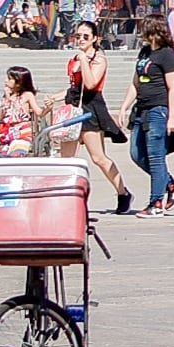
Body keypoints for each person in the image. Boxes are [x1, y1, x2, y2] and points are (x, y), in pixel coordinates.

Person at [60, 21, 132, 211]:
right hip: (74, 107)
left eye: (85, 36)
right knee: (66, 157)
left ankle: (123, 192)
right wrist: (58, 97)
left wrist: (84, 60)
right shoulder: (74, 59)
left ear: (94, 38)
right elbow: (76, 88)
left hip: (91, 109)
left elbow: (91, 84)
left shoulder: (98, 59)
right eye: (78, 36)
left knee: (98, 157)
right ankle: (68, 197)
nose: (81, 40)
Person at [129, 13, 174, 216]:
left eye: (144, 27)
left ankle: (156, 203)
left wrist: (172, 117)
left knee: (155, 156)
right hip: (141, 109)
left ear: (153, 30)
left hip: (158, 110)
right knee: (137, 154)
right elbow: (135, 82)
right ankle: (171, 184)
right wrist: (125, 106)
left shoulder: (167, 54)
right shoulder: (144, 52)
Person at [0, 67, 43, 157]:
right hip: (9, 131)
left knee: (16, 152)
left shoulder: (27, 95)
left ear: (19, 82)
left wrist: (48, 107)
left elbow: (39, 112)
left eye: (9, 79)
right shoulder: (8, 97)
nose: (6, 81)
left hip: (22, 131)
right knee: (0, 154)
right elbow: (0, 116)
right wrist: (6, 99)